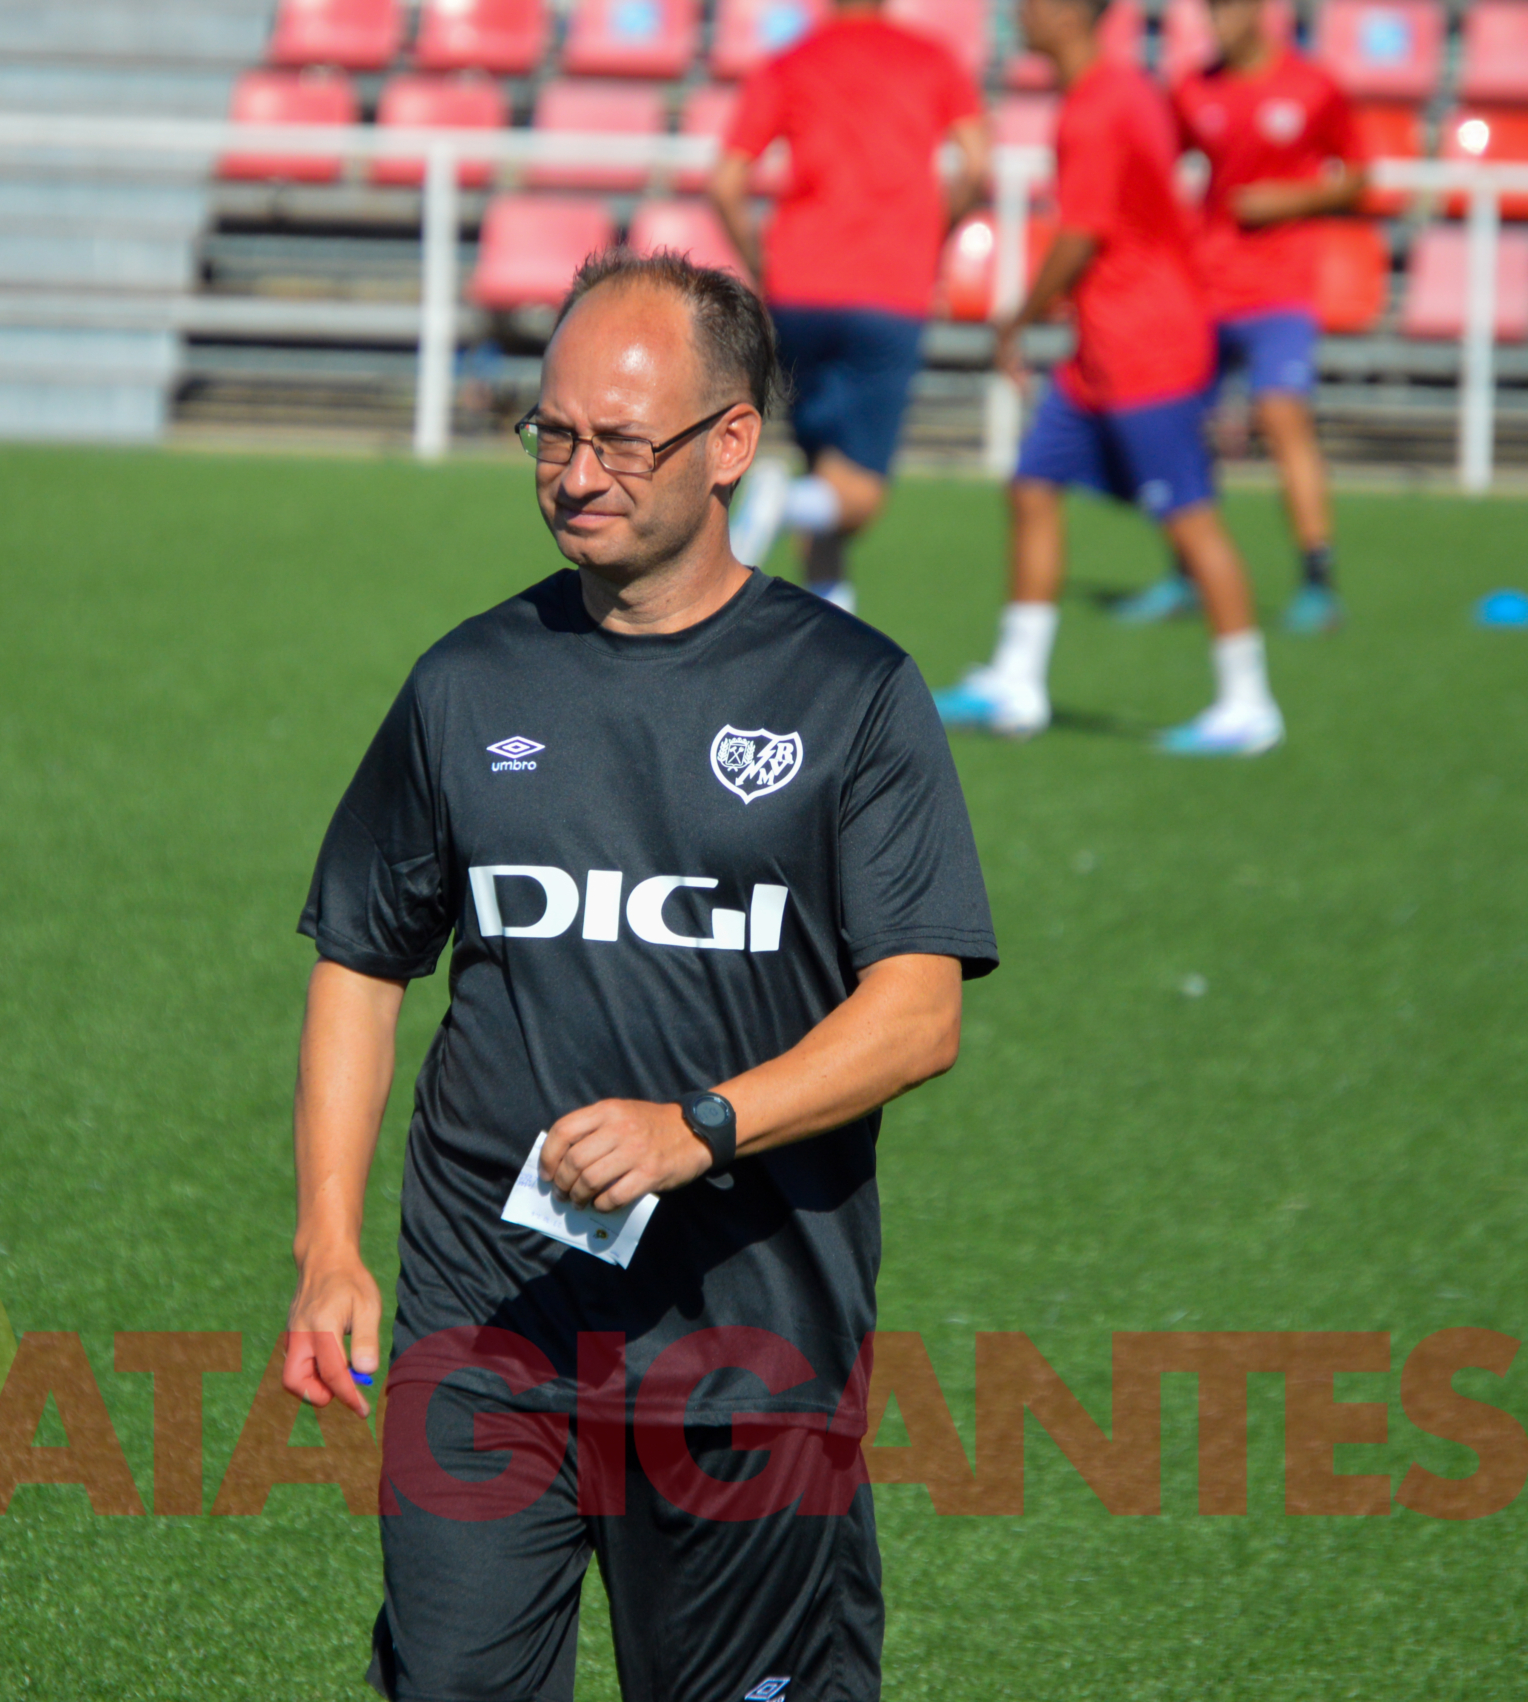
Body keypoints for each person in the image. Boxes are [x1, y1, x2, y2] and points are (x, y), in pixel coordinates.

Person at [284, 249, 999, 1701]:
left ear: (731, 442)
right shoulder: (466, 686)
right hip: (487, 1327)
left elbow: (920, 1010)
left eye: (620, 439)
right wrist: (328, 1244)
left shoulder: (851, 694)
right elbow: (362, 956)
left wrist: (698, 1125)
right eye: (551, 432)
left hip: (746, 1355)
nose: (575, 473)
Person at [934, 0, 1285, 754]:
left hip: (1146, 347)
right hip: (1103, 347)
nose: (1018, 15)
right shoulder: (1117, 91)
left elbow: (1083, 235)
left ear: (1069, 14)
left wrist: (1018, 318)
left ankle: (1249, 703)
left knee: (1190, 518)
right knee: (1032, 485)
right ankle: (1017, 679)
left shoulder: (1099, 104)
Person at [709, 0, 990, 614]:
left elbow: (726, 182)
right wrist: (934, 234)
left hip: (799, 289)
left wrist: (760, 265)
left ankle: (834, 623)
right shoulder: (932, 60)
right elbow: (976, 162)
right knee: (859, 493)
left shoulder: (790, 62)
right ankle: (783, 504)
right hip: (887, 291)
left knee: (825, 468)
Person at [1114, 0, 1367, 635]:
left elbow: (1358, 178)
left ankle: (1317, 581)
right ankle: (1184, 574)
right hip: (1205, 285)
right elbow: (1160, 164)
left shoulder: (1313, 86)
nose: (1214, 22)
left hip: (1281, 288)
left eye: (1225, 10)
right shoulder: (1195, 87)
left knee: (1282, 415)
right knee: (1183, 427)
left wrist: (1296, 197)